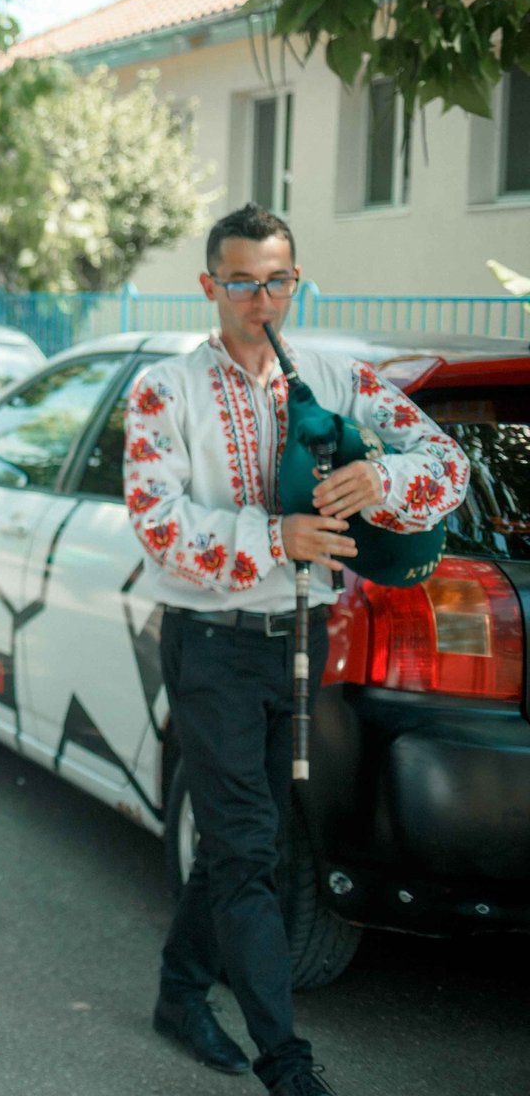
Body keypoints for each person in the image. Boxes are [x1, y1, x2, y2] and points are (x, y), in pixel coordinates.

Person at [122, 204, 468, 1096]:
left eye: (277, 280)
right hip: (209, 646)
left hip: (303, 645)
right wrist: (278, 539)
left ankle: (179, 994)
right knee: (248, 851)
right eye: (242, 282)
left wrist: (380, 478)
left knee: (246, 842)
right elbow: (158, 526)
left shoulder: (338, 378)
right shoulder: (164, 390)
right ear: (210, 286)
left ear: (297, 281)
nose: (261, 299)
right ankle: (288, 1064)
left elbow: (448, 467)